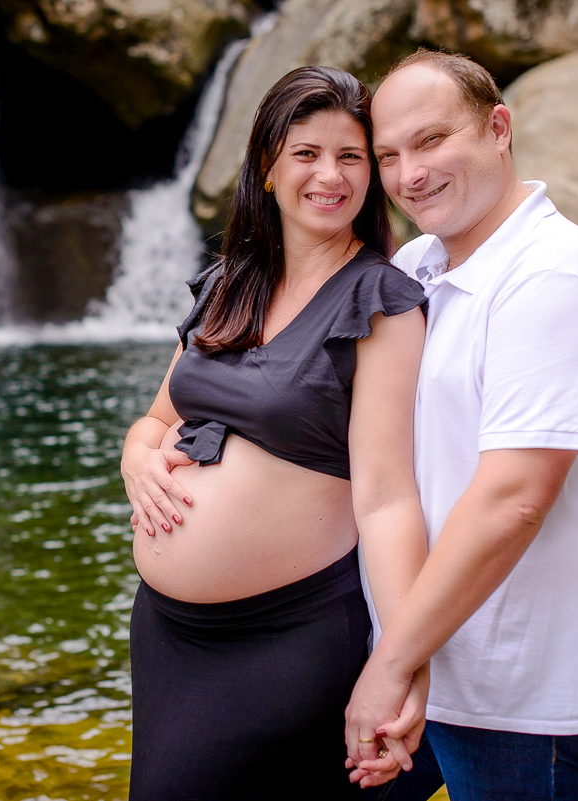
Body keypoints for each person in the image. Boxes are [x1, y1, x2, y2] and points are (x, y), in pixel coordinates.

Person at [345, 50, 578, 801]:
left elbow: (514, 497)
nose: (410, 174)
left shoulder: (555, 275)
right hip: (437, 653)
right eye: (389, 155)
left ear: (499, 127)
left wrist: (388, 662)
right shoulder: (420, 264)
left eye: (431, 141)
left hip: (520, 680)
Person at [120, 66, 431, 800]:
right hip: (166, 631)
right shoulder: (228, 282)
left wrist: (402, 660)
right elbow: (159, 418)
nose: (330, 175)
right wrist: (136, 456)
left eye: (351, 156)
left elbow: (386, 500)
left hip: (285, 633)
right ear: (266, 166)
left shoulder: (381, 303)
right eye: (306, 153)